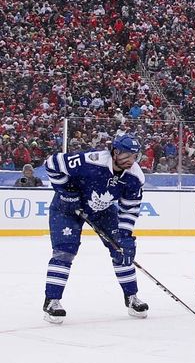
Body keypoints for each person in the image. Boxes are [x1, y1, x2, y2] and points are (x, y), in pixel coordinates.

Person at [41, 135, 148, 324]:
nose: (132, 161)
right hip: (66, 208)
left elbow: (130, 208)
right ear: (115, 152)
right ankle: (52, 301)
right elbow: (51, 163)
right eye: (127, 155)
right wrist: (66, 192)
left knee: (120, 250)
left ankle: (131, 298)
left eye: (135, 156)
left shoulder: (135, 177)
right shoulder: (90, 161)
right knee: (64, 252)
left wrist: (125, 235)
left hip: (102, 209)